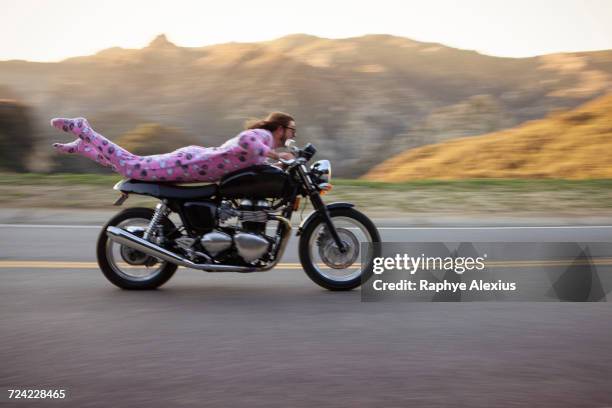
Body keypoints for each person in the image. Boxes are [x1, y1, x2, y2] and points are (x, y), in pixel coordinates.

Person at [51, 112, 297, 183]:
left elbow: (251, 161)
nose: (292, 134)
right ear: (280, 128)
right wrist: (277, 154)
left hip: (197, 162)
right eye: (291, 130)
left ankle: (85, 148)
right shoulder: (262, 136)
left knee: (132, 167)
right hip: (192, 164)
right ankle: (85, 130)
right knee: (131, 166)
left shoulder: (264, 144)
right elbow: (246, 142)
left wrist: (278, 163)